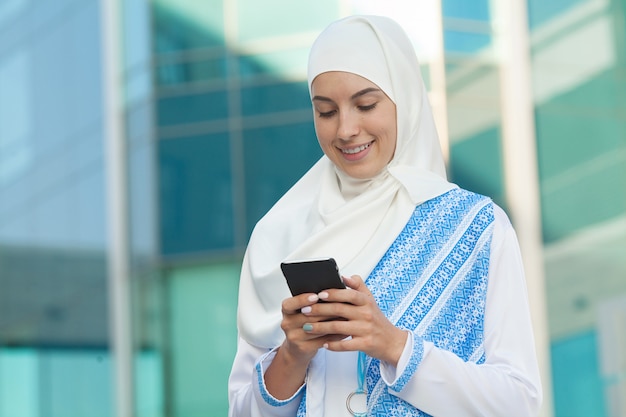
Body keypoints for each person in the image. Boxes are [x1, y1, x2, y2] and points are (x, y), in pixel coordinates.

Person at [228, 14, 542, 417]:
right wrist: (292, 355)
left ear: (404, 99)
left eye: (366, 104)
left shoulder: (475, 226)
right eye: (326, 111)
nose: (346, 129)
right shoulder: (277, 236)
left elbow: (519, 403)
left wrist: (394, 345)